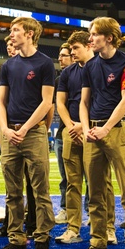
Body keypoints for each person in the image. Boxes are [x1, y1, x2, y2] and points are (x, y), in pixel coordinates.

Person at [76, 17, 125, 249]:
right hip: (92, 131)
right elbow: (84, 102)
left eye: (94, 35)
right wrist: (86, 129)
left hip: (116, 129)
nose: (90, 39)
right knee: (95, 193)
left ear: (109, 38)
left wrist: (105, 128)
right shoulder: (90, 66)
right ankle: (98, 244)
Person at [0, 17, 55, 249]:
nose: (11, 35)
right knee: (12, 191)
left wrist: (25, 128)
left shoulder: (45, 63)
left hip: (34, 132)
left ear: (30, 33)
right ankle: (16, 240)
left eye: (15, 30)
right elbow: (0, 101)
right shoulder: (8, 65)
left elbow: (47, 101)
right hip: (11, 134)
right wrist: (6, 128)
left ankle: (42, 240)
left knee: (40, 190)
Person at [55, 30, 92, 245]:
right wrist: (70, 126)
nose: (72, 53)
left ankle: (104, 227)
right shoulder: (67, 73)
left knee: (99, 183)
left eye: (76, 48)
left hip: (91, 131)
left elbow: (102, 100)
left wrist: (83, 126)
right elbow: (60, 102)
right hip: (71, 131)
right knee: (72, 183)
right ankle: (73, 228)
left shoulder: (98, 68)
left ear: (88, 46)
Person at [54, 43, 73, 222]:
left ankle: (90, 210)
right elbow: (57, 105)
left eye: (64, 55)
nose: (60, 59)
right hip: (63, 132)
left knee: (91, 178)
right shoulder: (60, 79)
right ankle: (66, 208)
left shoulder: (87, 74)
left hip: (83, 130)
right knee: (65, 177)